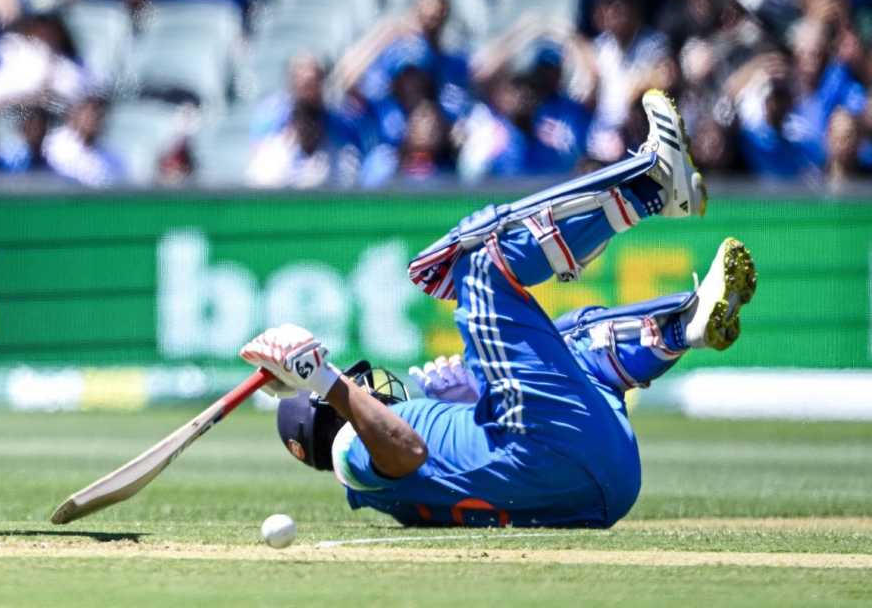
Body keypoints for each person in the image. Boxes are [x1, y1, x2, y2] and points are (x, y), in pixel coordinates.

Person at [244, 91, 758, 528]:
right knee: (467, 263)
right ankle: (650, 188)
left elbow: (454, 466)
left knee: (569, 338)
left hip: (601, 488)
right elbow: (407, 452)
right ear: (323, 417)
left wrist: (478, 398)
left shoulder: (385, 482)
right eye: (354, 387)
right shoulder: (351, 457)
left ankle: (685, 326)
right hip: (550, 451)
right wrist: (326, 382)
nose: (368, 385)